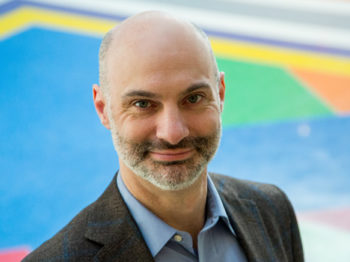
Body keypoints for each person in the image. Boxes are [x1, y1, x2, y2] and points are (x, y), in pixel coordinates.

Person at [24, 11, 304, 262]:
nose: (172, 133)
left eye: (193, 98)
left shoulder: (272, 210)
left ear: (220, 94)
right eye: (143, 104)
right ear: (103, 109)